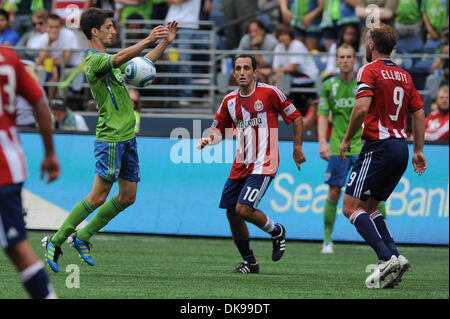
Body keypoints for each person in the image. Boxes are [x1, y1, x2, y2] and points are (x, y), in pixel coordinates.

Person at [41, 7, 178, 273]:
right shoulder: (93, 61)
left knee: (127, 197)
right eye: (108, 27)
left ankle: (82, 237)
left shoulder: (110, 59)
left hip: (127, 136)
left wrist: (163, 43)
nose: (113, 31)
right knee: (97, 197)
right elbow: (119, 60)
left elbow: (141, 65)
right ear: (95, 31)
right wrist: (147, 39)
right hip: (111, 138)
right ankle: (55, 240)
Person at [197, 54, 306, 274]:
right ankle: (251, 263)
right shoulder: (229, 101)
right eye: (238, 68)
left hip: (264, 161)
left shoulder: (270, 93)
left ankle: (277, 230)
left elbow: (295, 116)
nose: (242, 72)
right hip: (241, 163)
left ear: (254, 72)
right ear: (234, 73)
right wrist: (209, 139)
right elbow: (218, 130)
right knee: (231, 212)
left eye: (246, 68)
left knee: (243, 208)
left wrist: (297, 148)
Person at [338, 24, 427, 288]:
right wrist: (419, 150)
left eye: (367, 41)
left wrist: (346, 138)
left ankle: (385, 257)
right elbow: (419, 113)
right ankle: (396, 256)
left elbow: (362, 106)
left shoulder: (369, 69)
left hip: (378, 146)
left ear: (372, 44)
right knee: (370, 208)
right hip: (401, 148)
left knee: (349, 208)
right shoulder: (404, 75)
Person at [0, 46, 60, 298]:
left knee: (18, 249)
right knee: (16, 248)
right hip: (10, 164)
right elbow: (39, 102)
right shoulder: (10, 57)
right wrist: (49, 153)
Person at [318, 43, 386, 254]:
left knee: (374, 195)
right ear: (337, 60)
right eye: (342, 57)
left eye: (349, 56)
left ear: (354, 60)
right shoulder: (329, 86)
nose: (345, 60)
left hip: (364, 147)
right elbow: (322, 115)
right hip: (339, 147)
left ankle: (382, 238)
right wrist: (322, 142)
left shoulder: (364, 83)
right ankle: (327, 240)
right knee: (334, 192)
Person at [272, 23, 319, 115]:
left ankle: (279, 105)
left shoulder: (297, 45)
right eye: (280, 34)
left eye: (285, 34)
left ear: (290, 35)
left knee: (281, 77)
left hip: (308, 76)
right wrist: (280, 72)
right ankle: (279, 104)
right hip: (291, 76)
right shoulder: (278, 47)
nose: (283, 37)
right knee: (276, 76)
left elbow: (292, 67)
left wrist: (280, 72)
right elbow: (275, 69)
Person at [236, 18, 279, 84]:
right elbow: (237, 60)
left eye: (256, 31)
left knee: (261, 76)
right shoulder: (245, 39)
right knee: (235, 74)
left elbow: (264, 65)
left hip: (270, 71)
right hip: (249, 69)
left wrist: (255, 47)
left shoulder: (271, 41)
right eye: (250, 32)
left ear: (263, 31)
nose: (253, 34)